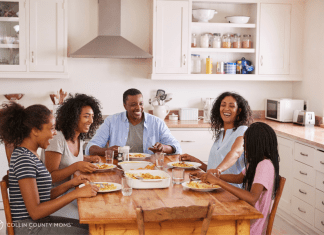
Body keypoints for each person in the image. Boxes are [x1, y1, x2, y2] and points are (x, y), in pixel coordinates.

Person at [0, 102, 99, 235]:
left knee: (92, 226)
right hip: (28, 228)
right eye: (51, 128)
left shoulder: (30, 154)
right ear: (35, 130)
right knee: (92, 231)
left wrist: (72, 183)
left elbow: (43, 195)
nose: (54, 134)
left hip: (38, 222)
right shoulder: (24, 159)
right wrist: (75, 193)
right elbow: (35, 212)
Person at [197, 122, 280, 235]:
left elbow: (252, 198)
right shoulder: (256, 162)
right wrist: (216, 176)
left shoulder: (265, 165)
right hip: (245, 217)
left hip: (250, 227)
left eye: (246, 143)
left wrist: (218, 181)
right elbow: (239, 178)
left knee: (206, 226)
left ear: (256, 144)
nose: (244, 146)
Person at [181, 91, 252, 188]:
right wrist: (195, 161)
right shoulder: (221, 134)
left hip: (231, 191)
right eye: (223, 105)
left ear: (239, 111)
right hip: (213, 187)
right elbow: (213, 170)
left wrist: (218, 170)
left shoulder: (243, 130)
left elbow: (236, 153)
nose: (226, 108)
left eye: (231, 106)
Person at [86, 88, 181, 156]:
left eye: (141, 104)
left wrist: (163, 148)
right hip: (119, 167)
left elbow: (176, 147)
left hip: (149, 169)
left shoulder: (157, 122)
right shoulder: (111, 121)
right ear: (125, 106)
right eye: (133, 104)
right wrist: (107, 151)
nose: (138, 108)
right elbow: (90, 147)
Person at [41, 93, 102, 186]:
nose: (91, 121)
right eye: (86, 116)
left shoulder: (79, 138)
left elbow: (67, 159)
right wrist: (77, 166)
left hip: (74, 188)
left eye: (92, 116)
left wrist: (88, 159)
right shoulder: (57, 138)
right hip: (56, 195)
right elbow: (50, 177)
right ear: (74, 117)